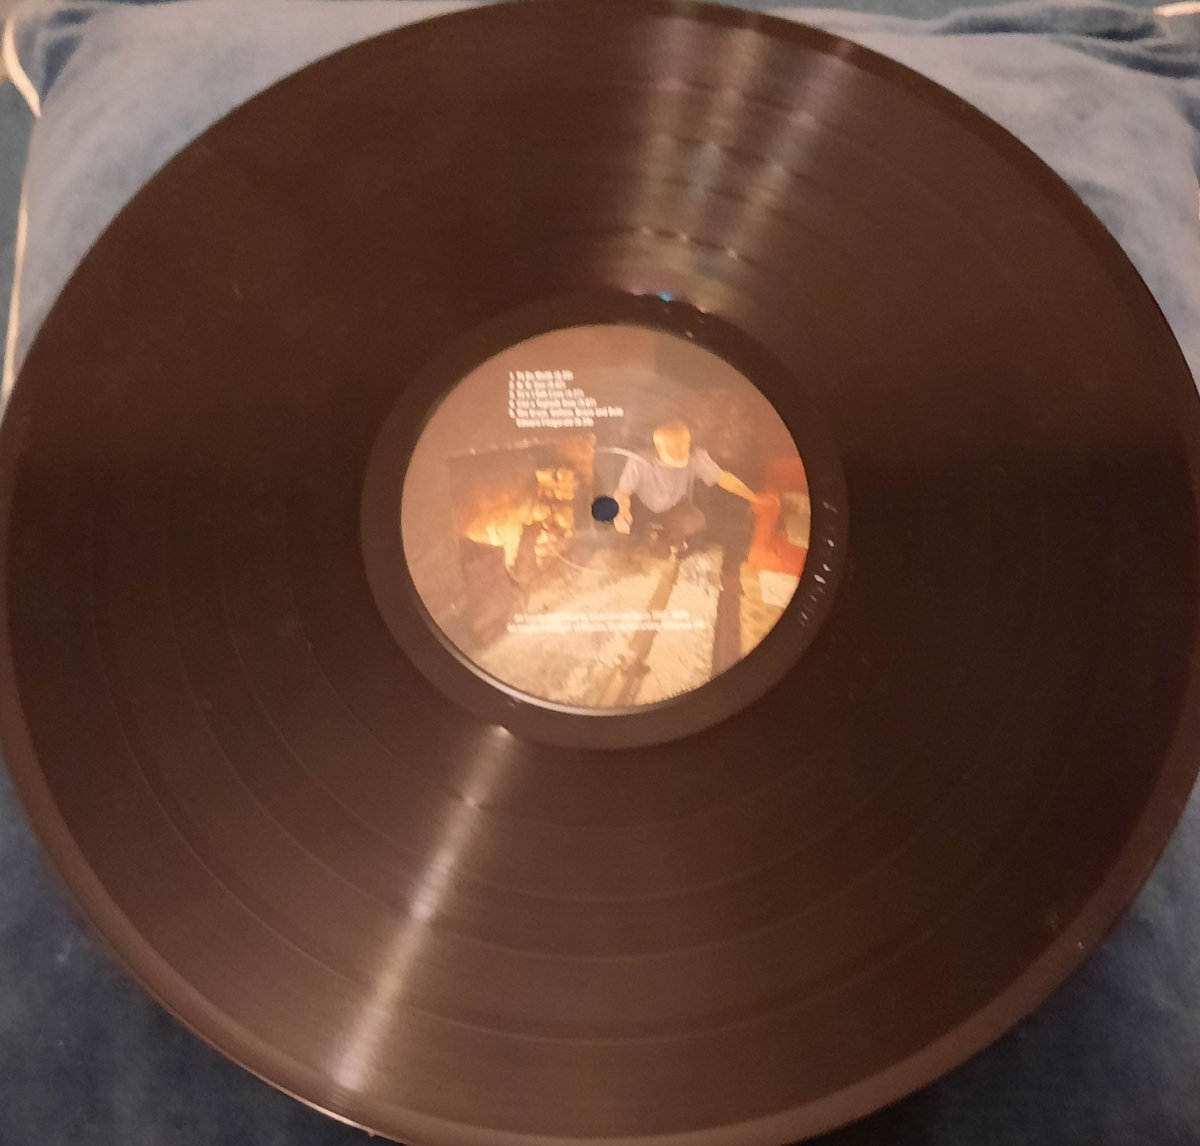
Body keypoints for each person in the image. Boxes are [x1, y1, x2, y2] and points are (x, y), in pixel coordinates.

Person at [612, 421, 769, 551]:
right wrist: (622, 511)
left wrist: (753, 497)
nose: (680, 451)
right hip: (642, 508)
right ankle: (634, 550)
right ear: (658, 447)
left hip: (675, 508)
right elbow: (622, 492)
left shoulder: (695, 457)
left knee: (695, 521)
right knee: (624, 530)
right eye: (673, 446)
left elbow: (724, 478)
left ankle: (671, 548)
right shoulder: (638, 461)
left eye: (684, 444)